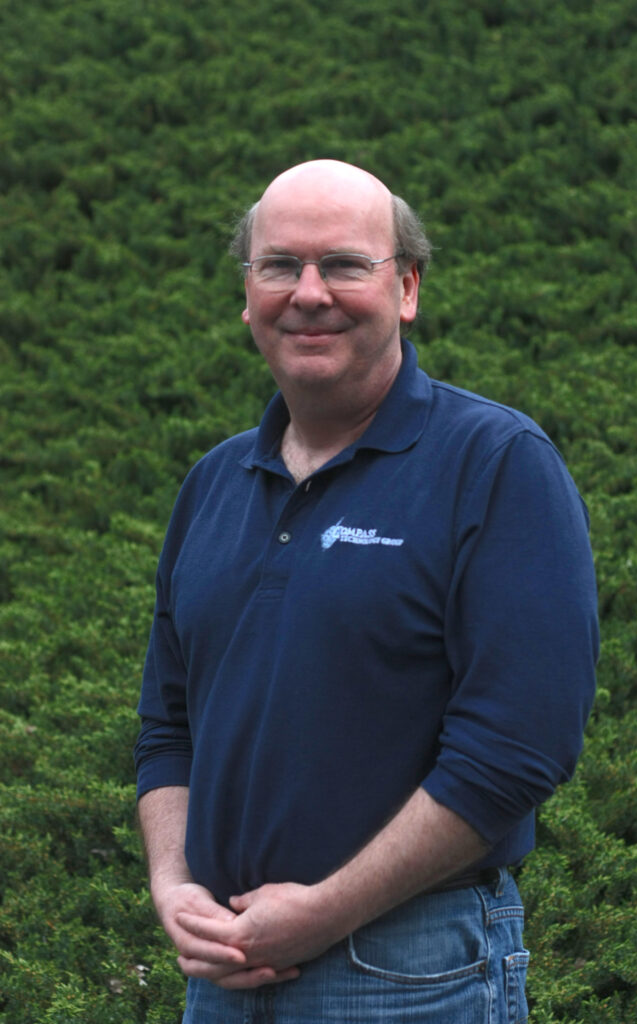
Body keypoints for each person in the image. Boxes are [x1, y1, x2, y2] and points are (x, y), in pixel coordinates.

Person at [135, 159, 599, 1023]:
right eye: (279, 265)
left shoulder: (495, 465)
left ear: (407, 287)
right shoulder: (212, 483)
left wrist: (326, 911)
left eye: (345, 265)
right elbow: (168, 728)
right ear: (247, 294)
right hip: (221, 973)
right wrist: (174, 886)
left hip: (410, 972)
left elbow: (518, 746)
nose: (308, 293)